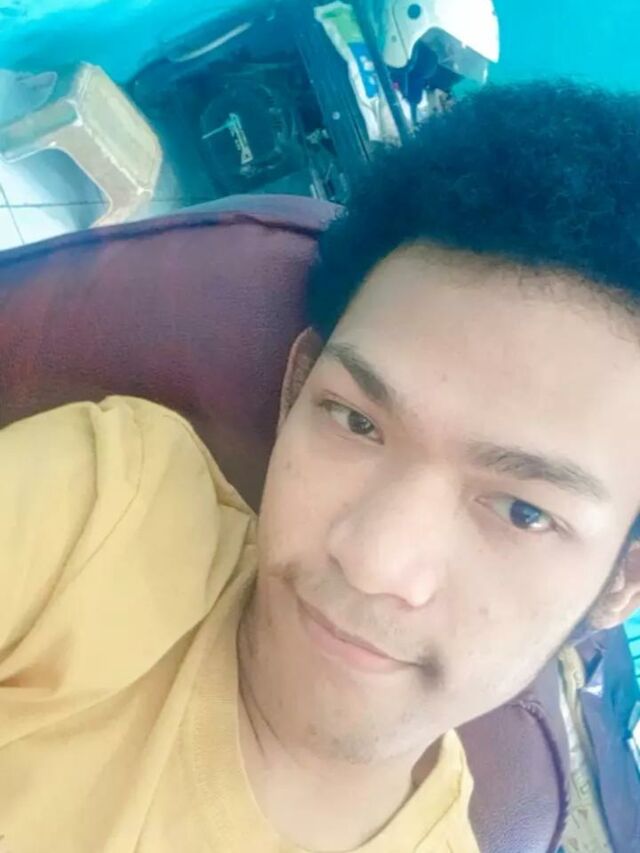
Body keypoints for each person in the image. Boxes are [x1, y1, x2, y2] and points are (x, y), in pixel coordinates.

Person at [1, 79, 639, 853]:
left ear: (624, 579)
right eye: (355, 420)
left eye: (523, 510)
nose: (373, 560)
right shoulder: (106, 509)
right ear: (296, 388)